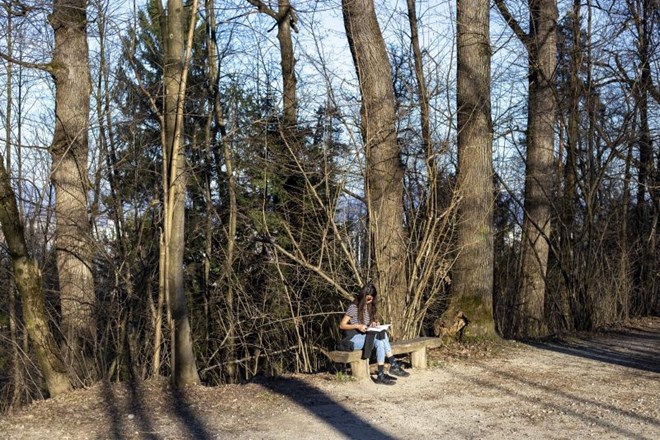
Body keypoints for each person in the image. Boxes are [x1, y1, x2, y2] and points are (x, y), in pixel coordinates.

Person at [339, 283, 410, 385]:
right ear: (363, 296)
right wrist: (357, 326)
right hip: (353, 339)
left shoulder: (369, 307)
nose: (370, 301)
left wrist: (373, 324)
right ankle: (393, 365)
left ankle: (380, 375)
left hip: (364, 336)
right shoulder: (353, 307)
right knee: (381, 335)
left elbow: (367, 325)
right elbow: (342, 325)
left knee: (381, 339)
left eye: (372, 299)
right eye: (368, 299)